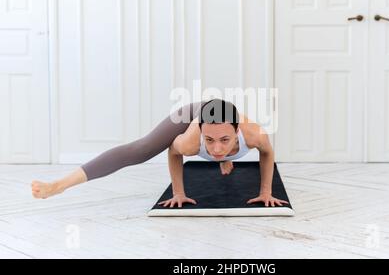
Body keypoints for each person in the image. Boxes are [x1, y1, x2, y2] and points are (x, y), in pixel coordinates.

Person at [31, 99, 288, 208]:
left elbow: (267, 153)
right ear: (199, 132)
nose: (216, 148)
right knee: (140, 150)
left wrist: (266, 191)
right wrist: (179, 192)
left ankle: (224, 159)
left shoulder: (254, 135)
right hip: (194, 112)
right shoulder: (190, 139)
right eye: (208, 141)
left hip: (221, 119)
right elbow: (174, 153)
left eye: (224, 141)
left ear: (237, 134)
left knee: (221, 150)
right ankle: (59, 185)